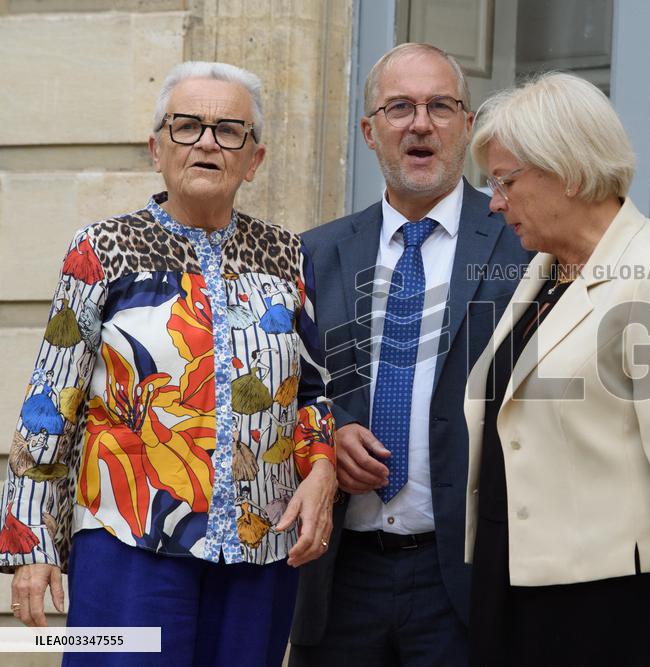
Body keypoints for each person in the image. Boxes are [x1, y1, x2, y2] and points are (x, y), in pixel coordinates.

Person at [0, 61, 337, 667]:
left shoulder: (288, 255)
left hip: (259, 551)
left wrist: (321, 470)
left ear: (253, 159)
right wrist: (31, 542)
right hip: (125, 543)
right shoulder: (101, 248)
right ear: (157, 149)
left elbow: (310, 391)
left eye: (229, 129)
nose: (207, 141)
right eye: (187, 126)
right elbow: (49, 403)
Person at [463, 72, 650, 667]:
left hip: (605, 605)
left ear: (566, 170)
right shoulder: (549, 269)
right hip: (522, 584)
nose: (494, 203)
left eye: (504, 181)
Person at [289, 43, 530, 666]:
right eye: (399, 108)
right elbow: (284, 390)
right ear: (369, 131)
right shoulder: (312, 256)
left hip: (466, 579)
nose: (420, 124)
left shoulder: (522, 247)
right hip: (342, 578)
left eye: (440, 106)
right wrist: (329, 434)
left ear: (468, 127)